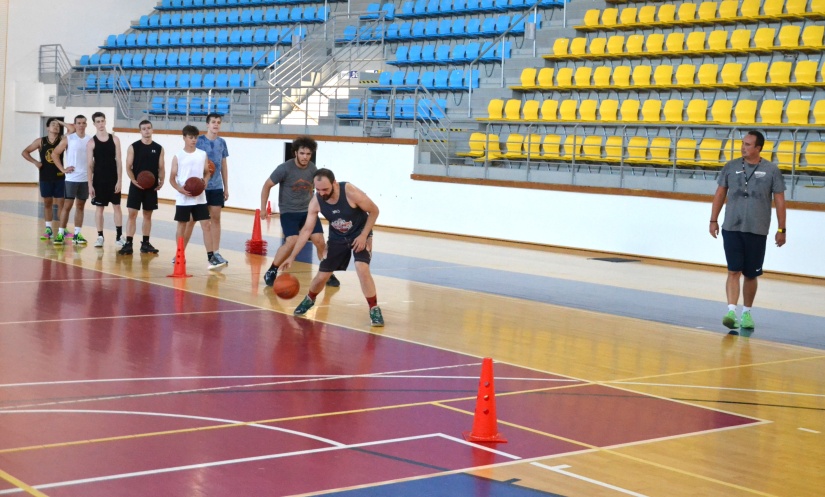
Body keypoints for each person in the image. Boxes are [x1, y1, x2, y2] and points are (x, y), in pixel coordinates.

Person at [280, 168, 384, 327]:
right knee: (322, 276)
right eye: (318, 189)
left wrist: (365, 236)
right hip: (337, 238)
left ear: (334, 183)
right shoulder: (316, 201)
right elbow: (307, 230)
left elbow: (374, 211)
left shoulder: (349, 191)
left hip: (359, 234)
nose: (322, 193)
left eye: (325, 189)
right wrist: (292, 256)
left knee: (362, 268)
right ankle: (310, 299)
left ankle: (374, 308)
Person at [710, 130, 786, 331]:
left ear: (758, 148)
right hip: (732, 227)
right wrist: (713, 220)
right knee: (733, 270)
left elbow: (780, 201)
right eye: (743, 143)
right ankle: (731, 311)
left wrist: (782, 229)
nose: (743, 147)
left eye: (748, 144)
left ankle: (747, 313)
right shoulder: (731, 166)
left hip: (757, 229)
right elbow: (719, 194)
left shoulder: (771, 170)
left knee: (751, 274)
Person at [259, 136, 339, 288]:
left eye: (308, 154)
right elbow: (266, 185)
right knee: (292, 240)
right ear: (295, 152)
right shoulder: (284, 168)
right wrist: (263, 208)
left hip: (308, 211)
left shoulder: (313, 169)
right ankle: (272, 270)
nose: (305, 157)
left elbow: (321, 190)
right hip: (289, 211)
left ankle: (327, 272)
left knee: (319, 241)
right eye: (302, 153)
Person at [169, 125, 226, 270]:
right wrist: (180, 189)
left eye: (195, 137)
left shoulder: (202, 154)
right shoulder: (178, 156)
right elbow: (171, 179)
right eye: (190, 137)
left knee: (206, 225)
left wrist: (205, 181)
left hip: (200, 198)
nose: (193, 140)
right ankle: (179, 253)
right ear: (184, 138)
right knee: (182, 226)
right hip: (183, 198)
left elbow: (207, 172)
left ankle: (211, 257)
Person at [181, 112, 229, 266]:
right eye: (213, 122)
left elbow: (223, 165)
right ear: (207, 124)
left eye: (218, 122)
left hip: (216, 187)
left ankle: (215, 253)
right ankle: (180, 252)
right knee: (191, 220)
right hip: (199, 187)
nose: (216, 124)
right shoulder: (199, 141)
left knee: (216, 219)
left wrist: (226, 187)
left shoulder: (222, 142)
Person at [120, 120, 164, 255]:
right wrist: (133, 180)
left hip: (151, 187)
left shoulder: (158, 148)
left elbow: (161, 167)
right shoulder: (133, 147)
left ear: (152, 130)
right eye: (144, 129)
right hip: (136, 186)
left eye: (149, 128)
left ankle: (145, 244)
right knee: (132, 214)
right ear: (140, 131)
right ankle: (128, 243)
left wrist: (161, 180)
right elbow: (128, 166)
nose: (146, 131)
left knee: (147, 215)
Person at [21, 117, 66, 240]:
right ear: (47, 128)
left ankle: (62, 229)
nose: (56, 126)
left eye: (58, 125)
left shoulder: (63, 140)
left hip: (60, 176)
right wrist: (35, 162)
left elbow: (72, 129)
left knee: (61, 203)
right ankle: (48, 228)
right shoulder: (40, 141)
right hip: (45, 176)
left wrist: (61, 122)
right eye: (53, 124)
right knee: (47, 203)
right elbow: (25, 152)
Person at [51, 115, 92, 245]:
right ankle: (60, 234)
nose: (81, 125)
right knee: (67, 206)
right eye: (79, 123)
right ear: (75, 125)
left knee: (80, 206)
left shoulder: (90, 140)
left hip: (85, 178)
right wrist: (62, 169)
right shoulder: (69, 138)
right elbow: (54, 154)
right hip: (71, 178)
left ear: (86, 125)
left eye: (83, 123)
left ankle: (77, 234)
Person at [87, 112, 123, 248]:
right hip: (99, 180)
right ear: (94, 124)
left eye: (102, 121)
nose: (101, 124)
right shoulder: (91, 142)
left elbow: (119, 161)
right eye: (98, 122)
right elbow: (89, 165)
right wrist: (90, 185)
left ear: (105, 121)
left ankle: (119, 236)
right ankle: (100, 236)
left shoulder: (115, 139)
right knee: (99, 208)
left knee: (117, 207)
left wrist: (120, 180)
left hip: (113, 179)